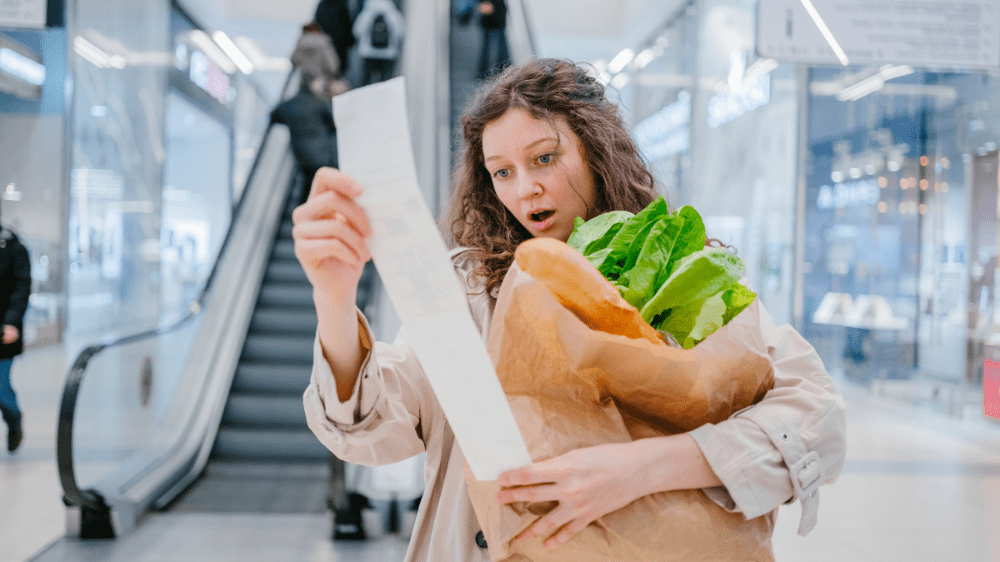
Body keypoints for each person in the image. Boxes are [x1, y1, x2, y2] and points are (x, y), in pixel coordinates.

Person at [295, 59, 846, 560]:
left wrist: (640, 470)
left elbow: (815, 418)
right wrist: (335, 299)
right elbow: (375, 425)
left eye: (544, 158)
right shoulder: (471, 286)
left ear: (595, 149)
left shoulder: (679, 266)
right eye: (502, 171)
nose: (526, 189)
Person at [272, 25, 350, 205]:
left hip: (305, 91)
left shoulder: (300, 43)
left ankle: (305, 210)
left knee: (308, 181)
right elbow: (333, 65)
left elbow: (292, 60)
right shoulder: (324, 43)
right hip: (319, 89)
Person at [0, 219, 30, 454]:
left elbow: (21, 287)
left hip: (3, 332)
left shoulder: (14, 248)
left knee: (0, 388)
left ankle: (14, 418)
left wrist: (12, 322)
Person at [351, 0, 405, 86]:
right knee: (385, 84)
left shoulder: (367, 12)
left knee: (366, 84)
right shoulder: (392, 13)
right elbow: (400, 32)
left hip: (368, 54)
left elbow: (357, 31)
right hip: (388, 55)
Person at [314, 0, 356, 74]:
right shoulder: (341, 5)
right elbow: (346, 25)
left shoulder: (322, 4)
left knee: (324, 67)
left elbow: (317, 22)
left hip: (324, 42)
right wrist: (351, 41)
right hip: (338, 43)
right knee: (337, 69)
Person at [475, 0, 510, 80]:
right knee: (500, 46)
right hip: (497, 16)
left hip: (489, 17)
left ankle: (483, 72)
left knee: (487, 47)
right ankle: (502, 70)